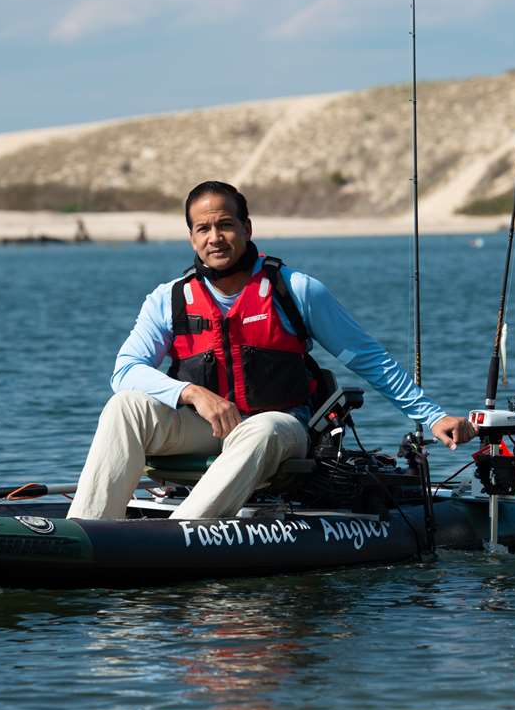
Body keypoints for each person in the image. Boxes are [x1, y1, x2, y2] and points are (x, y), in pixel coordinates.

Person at [66, 180, 477, 521]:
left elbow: (368, 358)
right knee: (126, 406)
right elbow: (125, 371)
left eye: (225, 225)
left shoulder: (295, 290)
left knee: (260, 429)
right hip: (206, 430)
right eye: (203, 229)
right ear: (191, 237)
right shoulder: (166, 300)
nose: (215, 238)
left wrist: (434, 416)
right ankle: (87, 533)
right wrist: (191, 394)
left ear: (247, 227)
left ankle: (180, 534)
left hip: (281, 431)